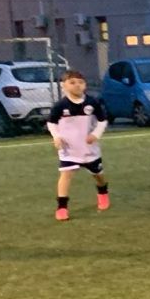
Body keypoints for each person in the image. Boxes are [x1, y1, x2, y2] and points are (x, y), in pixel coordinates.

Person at [46, 70, 110, 220]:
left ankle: (103, 192)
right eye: (72, 82)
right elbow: (51, 123)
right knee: (66, 175)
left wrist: (95, 135)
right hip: (69, 149)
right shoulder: (60, 105)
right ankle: (62, 208)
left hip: (89, 149)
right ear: (64, 86)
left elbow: (102, 121)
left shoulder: (92, 102)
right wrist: (56, 137)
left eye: (80, 82)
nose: (77, 85)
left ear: (85, 85)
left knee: (98, 175)